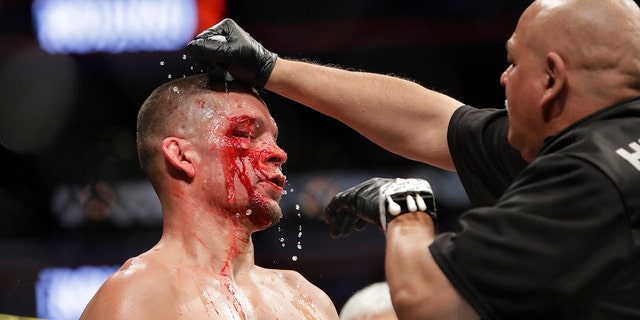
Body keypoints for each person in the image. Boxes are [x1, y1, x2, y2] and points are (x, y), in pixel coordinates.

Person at [185, 0, 640, 318]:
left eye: (514, 63)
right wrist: (270, 67)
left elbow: (431, 302)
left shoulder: (590, 175)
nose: (503, 79)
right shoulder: (607, 141)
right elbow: (432, 122)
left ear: (552, 79)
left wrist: (403, 205)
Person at [79, 74, 339, 319]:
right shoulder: (139, 295)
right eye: (245, 133)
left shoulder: (307, 299)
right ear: (181, 156)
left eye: (274, 137)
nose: (278, 153)